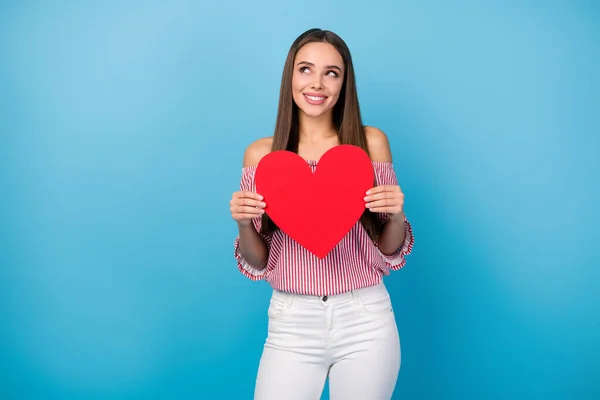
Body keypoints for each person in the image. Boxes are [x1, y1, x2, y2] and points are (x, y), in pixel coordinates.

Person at [229, 28, 414, 400]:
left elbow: (389, 250)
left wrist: (395, 217)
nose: (317, 83)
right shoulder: (261, 157)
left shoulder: (369, 144)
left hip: (365, 318)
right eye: (306, 69)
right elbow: (258, 260)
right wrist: (244, 224)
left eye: (332, 72)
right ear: (290, 77)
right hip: (291, 321)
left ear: (345, 83)